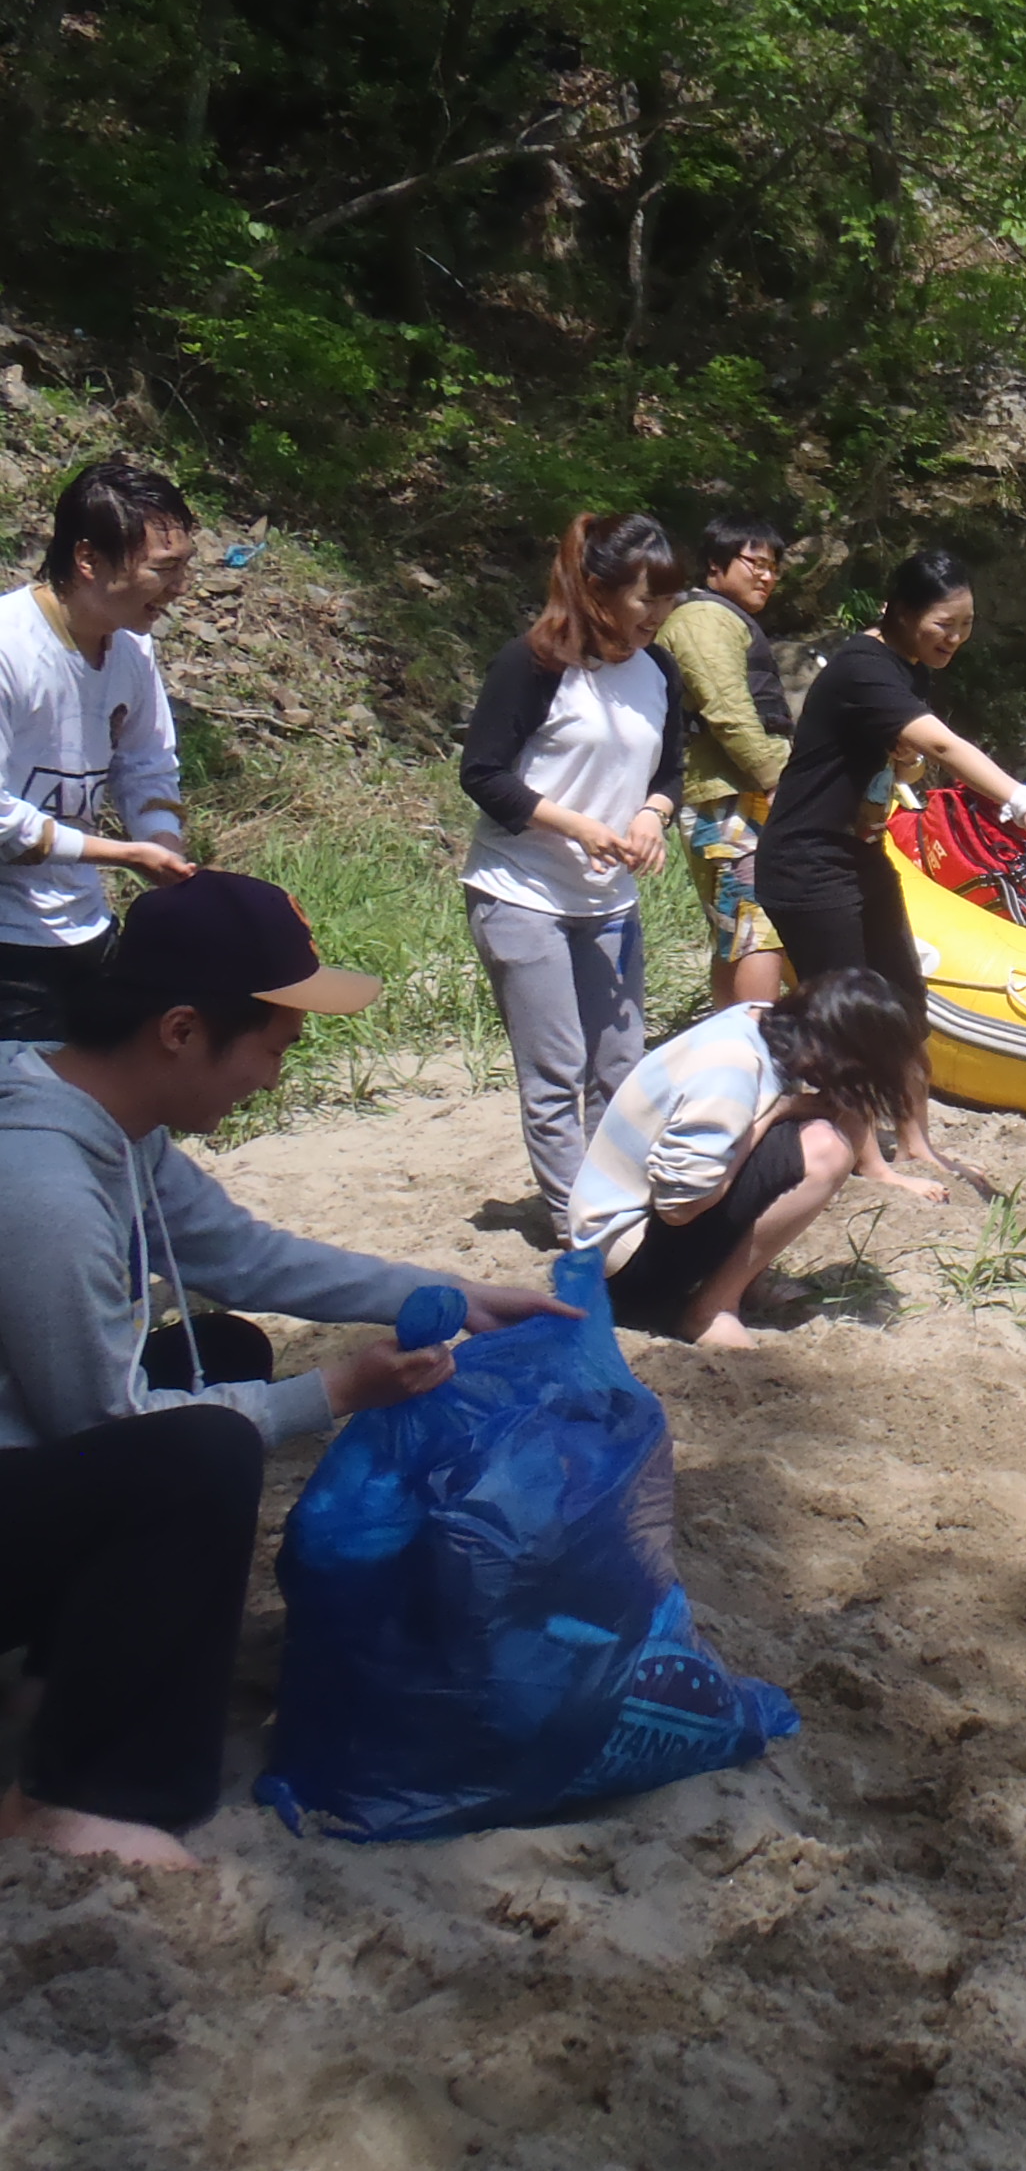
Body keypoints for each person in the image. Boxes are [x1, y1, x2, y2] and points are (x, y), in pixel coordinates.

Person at [0, 871, 572, 1869]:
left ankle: (53, 1675)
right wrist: (337, 1392)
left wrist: (452, 1293)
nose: (272, 1076)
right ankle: (78, 1793)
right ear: (181, 1030)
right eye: (272, 1047)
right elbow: (99, 1422)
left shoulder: (105, 1120)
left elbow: (244, 1256)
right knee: (200, 1453)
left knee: (222, 1354)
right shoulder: (43, 1183)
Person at [754, 548, 1026, 1197]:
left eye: (966, 625)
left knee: (904, 1003)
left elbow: (905, 762)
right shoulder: (862, 667)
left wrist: (901, 767)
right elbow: (940, 745)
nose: (955, 639)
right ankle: (868, 1161)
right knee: (849, 1019)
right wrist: (1022, 802)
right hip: (807, 863)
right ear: (899, 612)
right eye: (943, 625)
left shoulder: (909, 669)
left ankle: (915, 1142)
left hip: (861, 856)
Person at [458, 511, 689, 1210]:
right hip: (521, 892)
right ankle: (579, 1223)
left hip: (610, 903)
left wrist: (653, 815)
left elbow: (670, 771)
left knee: (620, 1067)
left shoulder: (658, 671)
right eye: (647, 597)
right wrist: (578, 827)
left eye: (669, 597)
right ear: (596, 590)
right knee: (557, 1070)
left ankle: (623, 1198)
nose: (660, 613)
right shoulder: (534, 664)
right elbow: (483, 773)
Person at [567, 968, 928, 1348]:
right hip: (619, 1264)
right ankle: (710, 1310)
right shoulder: (731, 1068)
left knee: (833, 1124)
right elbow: (681, 1206)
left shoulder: (760, 1022)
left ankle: (742, 1281)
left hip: (626, 1233)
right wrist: (778, 1112)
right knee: (826, 1149)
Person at [0, 459, 200, 1041]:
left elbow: (147, 766)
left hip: (89, 931)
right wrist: (123, 855)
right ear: (88, 560)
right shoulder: (11, 648)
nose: (180, 588)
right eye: (164, 569)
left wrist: (163, 846)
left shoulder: (132, 649)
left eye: (185, 568)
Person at [659, 517, 795, 1009]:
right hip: (731, 797)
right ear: (716, 564)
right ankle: (755, 1050)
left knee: (735, 925)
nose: (766, 576)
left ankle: (727, 1046)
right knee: (759, 926)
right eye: (754, 563)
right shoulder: (704, 620)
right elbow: (727, 708)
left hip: (732, 792)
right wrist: (776, 779)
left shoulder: (717, 618)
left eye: (773, 567)